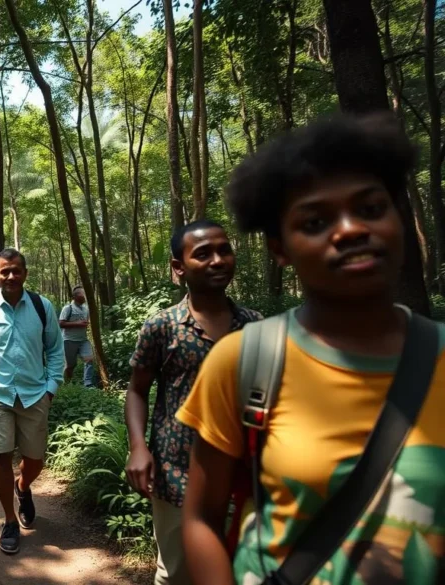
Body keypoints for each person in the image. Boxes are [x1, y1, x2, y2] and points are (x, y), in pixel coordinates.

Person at [177, 113, 445, 585]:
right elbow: (201, 518)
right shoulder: (244, 360)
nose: (349, 230)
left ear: (400, 219)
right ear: (281, 248)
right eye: (317, 221)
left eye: (370, 208)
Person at [125, 219, 262, 585]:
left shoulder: (256, 327)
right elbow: (138, 389)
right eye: (203, 254)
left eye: (224, 250)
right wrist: (138, 448)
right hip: (176, 472)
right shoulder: (163, 326)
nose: (217, 260)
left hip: (245, 474)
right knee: (177, 571)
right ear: (178, 267)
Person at [0, 248, 64, 555]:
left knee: (35, 459)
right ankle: (9, 520)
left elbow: (56, 350)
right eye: (4, 271)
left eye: (15, 270)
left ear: (25, 273)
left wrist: (50, 389)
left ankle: (23, 487)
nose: (10, 276)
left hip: (35, 394)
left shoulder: (41, 306)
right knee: (1, 456)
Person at [58, 285, 94, 386]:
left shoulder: (86, 309)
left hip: (83, 340)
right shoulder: (68, 308)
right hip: (69, 340)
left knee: (89, 359)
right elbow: (61, 323)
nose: (85, 296)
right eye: (83, 294)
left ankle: (88, 384)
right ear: (76, 296)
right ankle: (66, 384)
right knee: (70, 365)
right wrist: (78, 323)